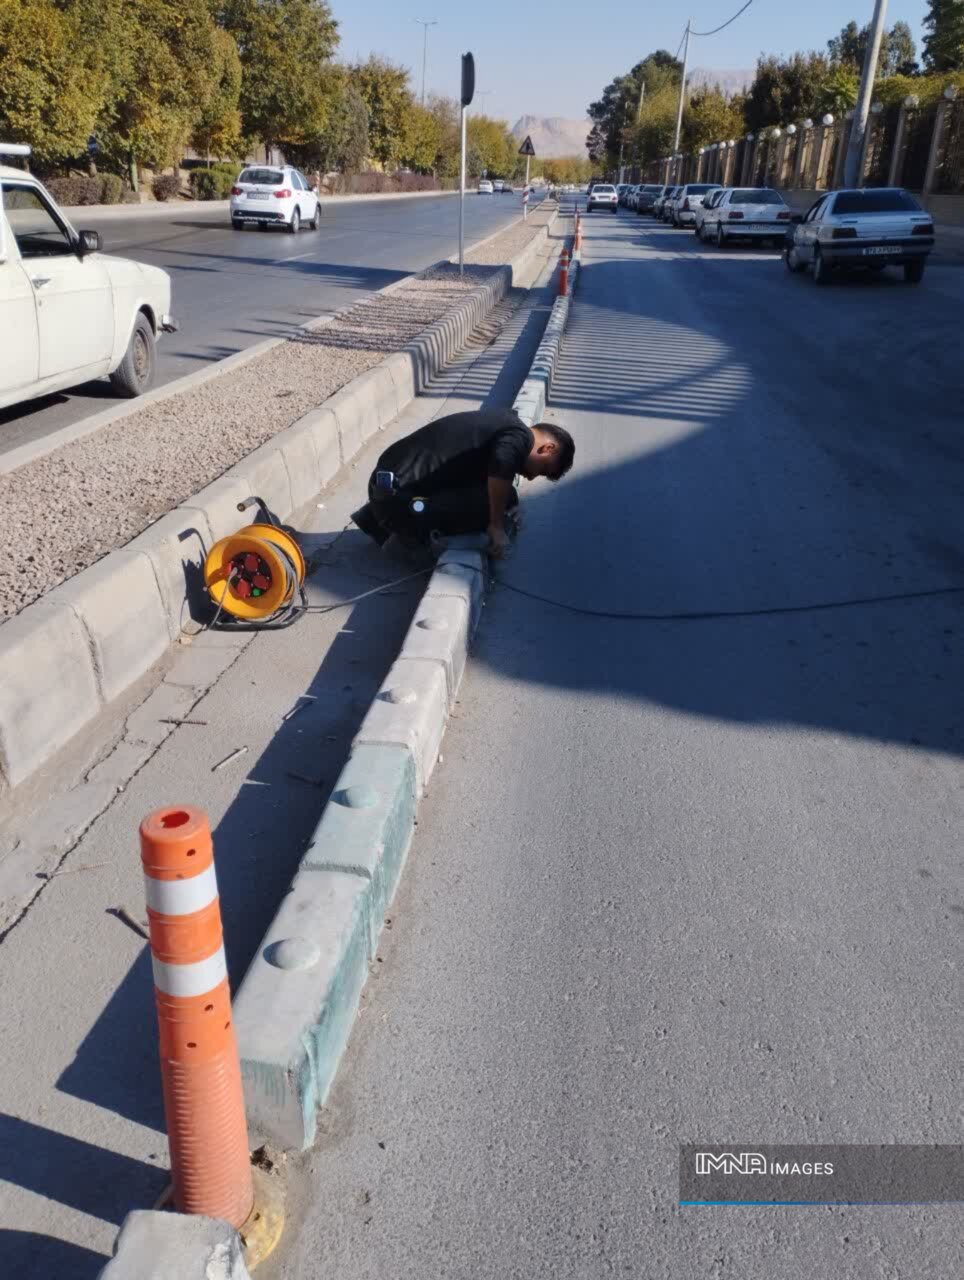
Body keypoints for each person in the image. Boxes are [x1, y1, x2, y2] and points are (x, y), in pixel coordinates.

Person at [351, 408, 574, 557]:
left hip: (386, 488)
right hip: (398, 503)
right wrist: (496, 526)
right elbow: (502, 465)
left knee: (503, 495)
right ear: (547, 448)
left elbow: (490, 476)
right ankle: (405, 538)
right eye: (543, 469)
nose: (532, 477)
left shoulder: (504, 421)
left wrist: (509, 501)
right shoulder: (519, 438)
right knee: (487, 505)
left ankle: (374, 518)